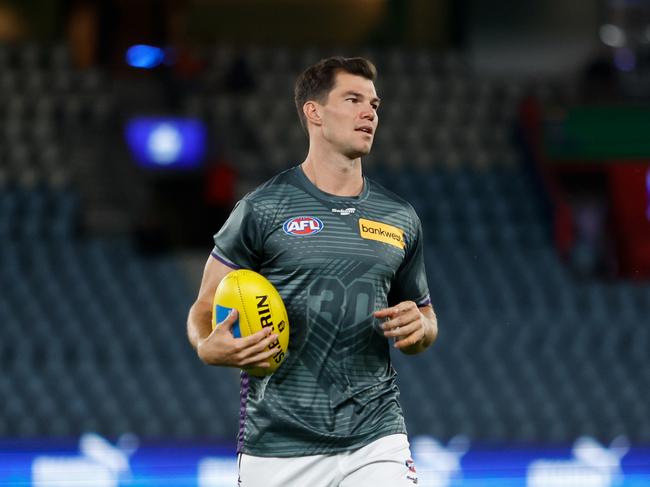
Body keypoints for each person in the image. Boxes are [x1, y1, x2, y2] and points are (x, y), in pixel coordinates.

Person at [187, 56, 438, 487]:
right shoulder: (262, 209)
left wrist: (422, 329)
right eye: (354, 99)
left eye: (374, 104)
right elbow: (204, 307)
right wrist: (205, 346)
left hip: (376, 436)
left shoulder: (399, 217)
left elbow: (424, 316)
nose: (369, 113)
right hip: (278, 445)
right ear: (314, 112)